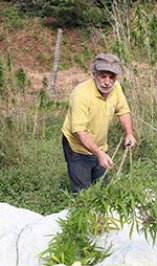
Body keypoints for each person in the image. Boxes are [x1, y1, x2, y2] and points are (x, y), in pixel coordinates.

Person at [61, 53, 137, 193]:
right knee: (82, 192)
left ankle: (100, 213)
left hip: (100, 146)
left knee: (103, 187)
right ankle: (82, 210)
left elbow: (123, 111)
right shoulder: (81, 94)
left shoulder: (116, 88)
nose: (107, 82)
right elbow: (79, 132)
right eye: (103, 76)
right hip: (77, 147)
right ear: (94, 73)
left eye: (112, 77)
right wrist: (99, 153)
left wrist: (129, 134)